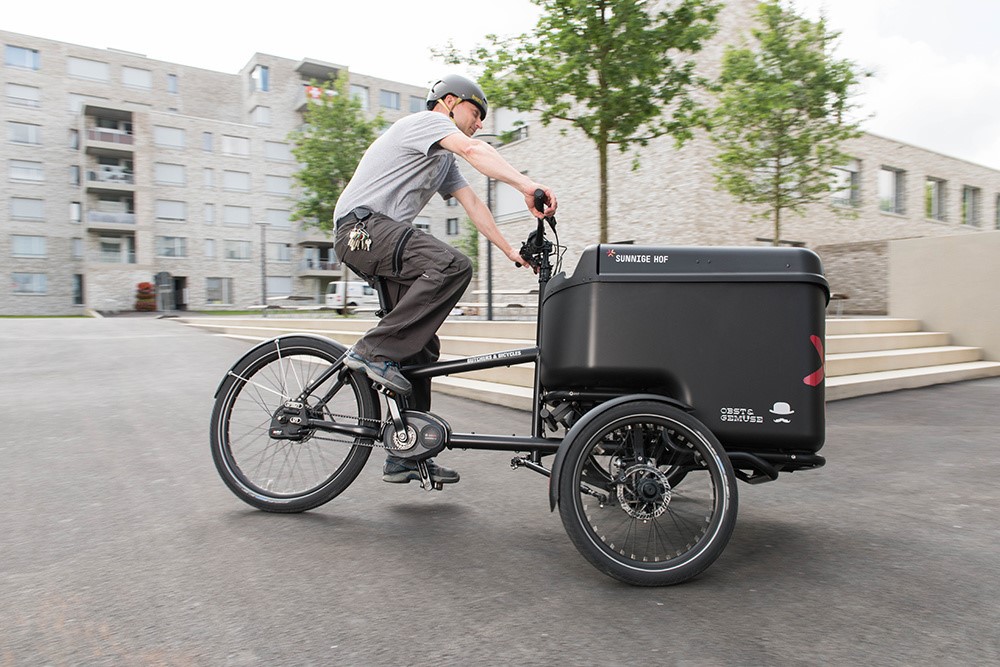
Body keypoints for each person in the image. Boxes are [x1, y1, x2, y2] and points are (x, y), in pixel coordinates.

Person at [332, 74, 558, 486]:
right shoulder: (423, 125)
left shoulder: (441, 160)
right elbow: (474, 149)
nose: (480, 123)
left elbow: (472, 203)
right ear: (449, 102)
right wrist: (528, 184)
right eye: (476, 112)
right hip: (360, 231)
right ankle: (371, 351)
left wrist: (510, 251)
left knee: (420, 348)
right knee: (452, 264)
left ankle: (405, 451)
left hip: (381, 238)